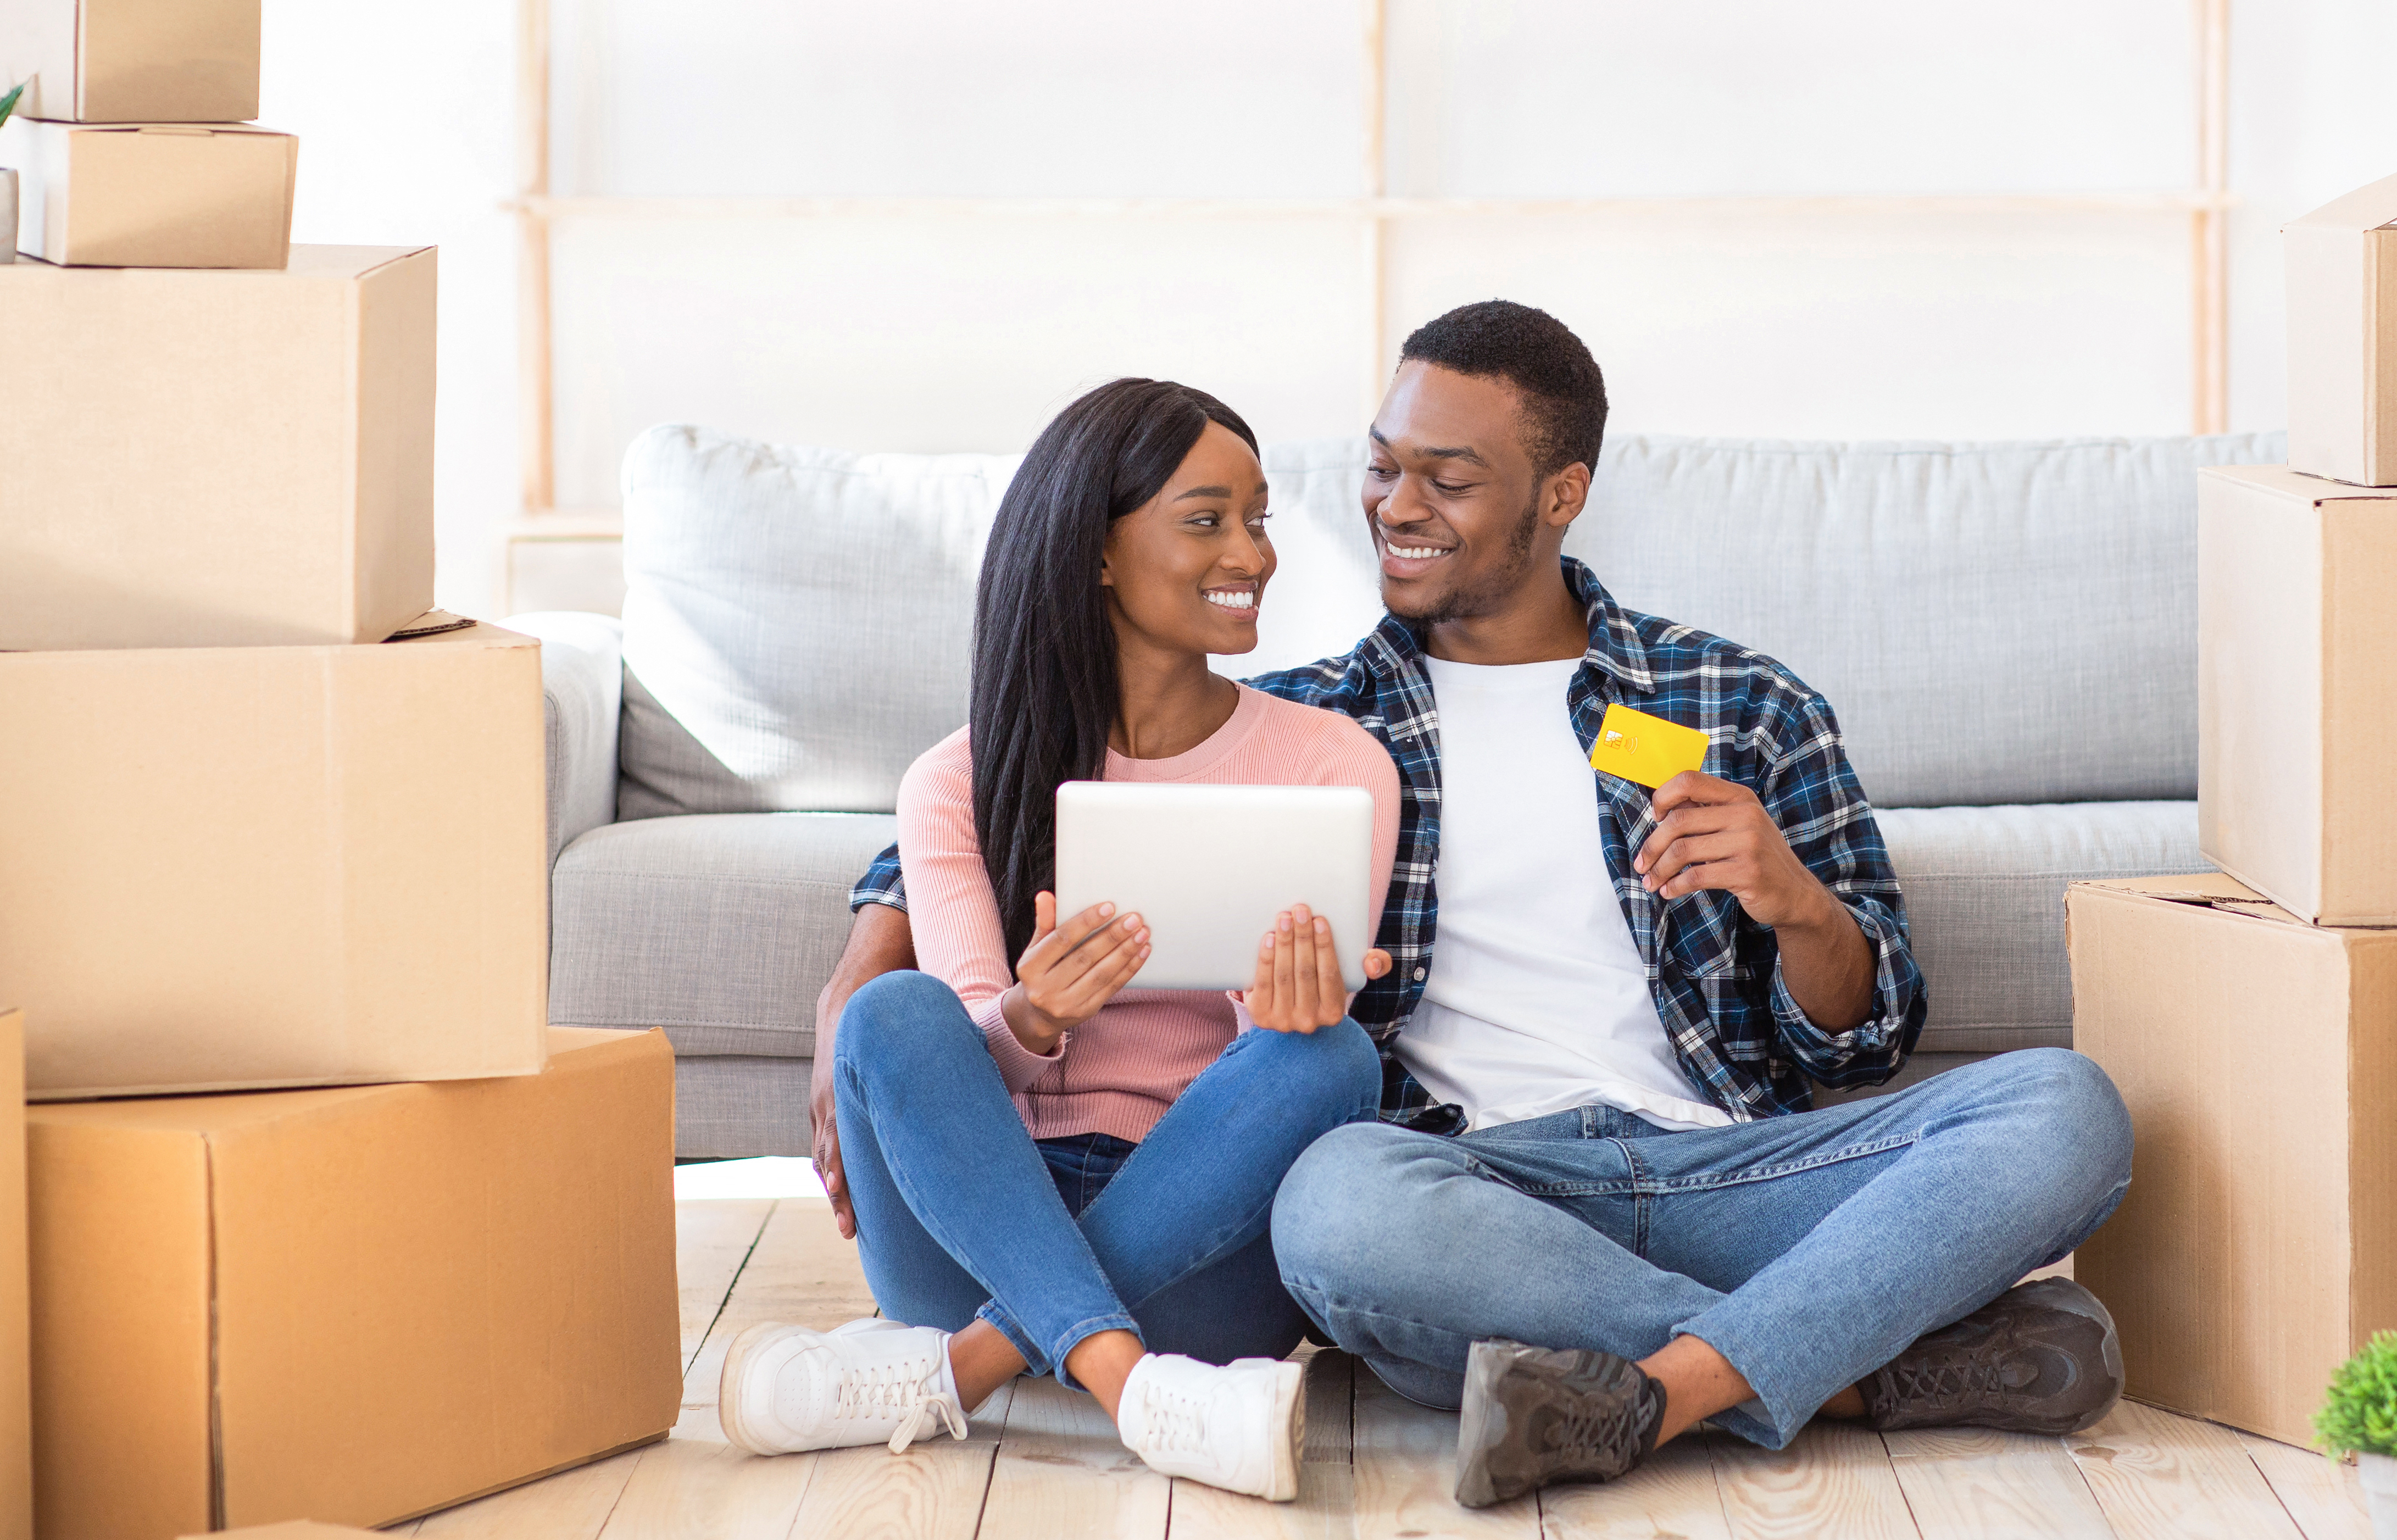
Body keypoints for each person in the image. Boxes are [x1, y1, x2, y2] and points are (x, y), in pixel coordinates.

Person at [833, 305, 2134, 1509]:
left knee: (2064, 1106)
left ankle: (1666, 1385)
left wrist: (1792, 900)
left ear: (1560, 494)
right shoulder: (1320, 716)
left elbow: (1866, 1035)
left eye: (1447, 480)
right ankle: (1847, 1356)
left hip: (1729, 1167)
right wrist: (867, 969)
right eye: (1381, 466)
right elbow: (1039, 791)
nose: (1396, 507)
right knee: (1335, 1200)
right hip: (1458, 1190)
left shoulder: (1734, 704)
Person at [722, 378, 1399, 1504]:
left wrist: (1271, 1010)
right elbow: (945, 1045)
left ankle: (964, 1368)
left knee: (1333, 1055)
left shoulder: (1335, 763)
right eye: (1206, 518)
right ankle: (1138, 1389)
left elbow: (1278, 1071)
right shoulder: (958, 777)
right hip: (975, 1221)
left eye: (1260, 517)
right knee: (892, 1009)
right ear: (1097, 552)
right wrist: (1032, 1018)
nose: (1254, 551)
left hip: (1201, 1253)